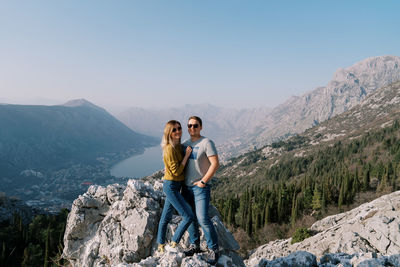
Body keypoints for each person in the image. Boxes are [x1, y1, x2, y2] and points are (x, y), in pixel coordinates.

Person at [182, 116, 220, 265]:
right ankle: (194, 245)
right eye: (189, 126)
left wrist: (203, 181)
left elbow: (215, 163)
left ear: (201, 127)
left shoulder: (207, 143)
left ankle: (213, 249)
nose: (192, 128)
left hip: (200, 188)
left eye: (195, 125)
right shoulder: (185, 144)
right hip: (186, 188)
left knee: (203, 218)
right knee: (190, 217)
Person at [156, 120, 195, 253]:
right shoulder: (169, 148)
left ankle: (160, 244)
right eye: (174, 130)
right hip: (171, 186)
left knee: (166, 217)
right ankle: (174, 242)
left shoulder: (178, 145)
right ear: (169, 133)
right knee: (188, 215)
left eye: (179, 128)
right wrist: (187, 156)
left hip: (176, 185)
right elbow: (177, 171)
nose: (178, 131)